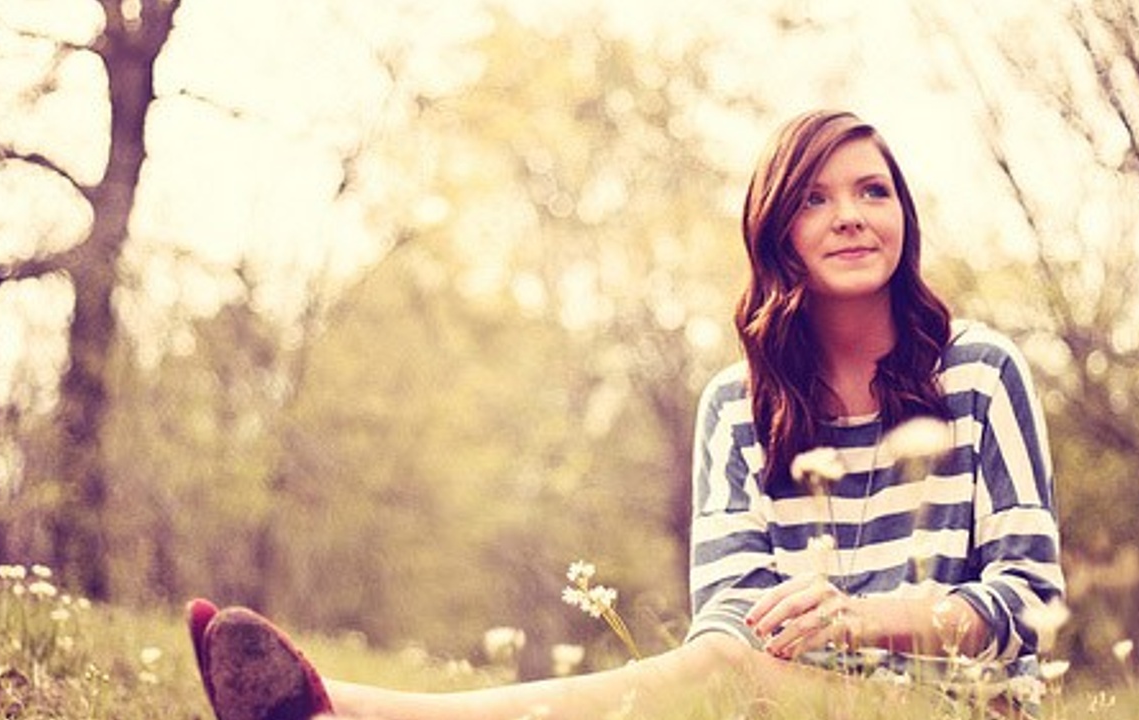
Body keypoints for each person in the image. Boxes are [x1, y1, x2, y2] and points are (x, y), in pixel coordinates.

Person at [185, 109, 1065, 720]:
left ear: (904, 216)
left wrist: (866, 618)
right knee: (719, 668)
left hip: (963, 708)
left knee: (718, 673)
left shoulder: (979, 373)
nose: (850, 217)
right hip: (793, 703)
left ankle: (344, 709)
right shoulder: (738, 407)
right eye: (815, 198)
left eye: (874, 192)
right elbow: (733, 619)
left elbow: (1030, 602)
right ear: (776, 230)